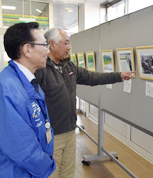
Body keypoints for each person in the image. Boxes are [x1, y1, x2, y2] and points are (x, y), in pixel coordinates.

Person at [35, 27, 135, 178]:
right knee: (50, 174)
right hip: (52, 135)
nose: (69, 47)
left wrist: (119, 76)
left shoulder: (69, 66)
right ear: (52, 44)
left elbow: (91, 77)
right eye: (66, 43)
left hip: (70, 129)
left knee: (67, 173)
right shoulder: (40, 69)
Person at [0, 22, 56, 177]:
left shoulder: (27, 81)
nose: (48, 50)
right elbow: (20, 147)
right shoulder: (6, 87)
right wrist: (47, 164)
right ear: (27, 49)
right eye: (44, 45)